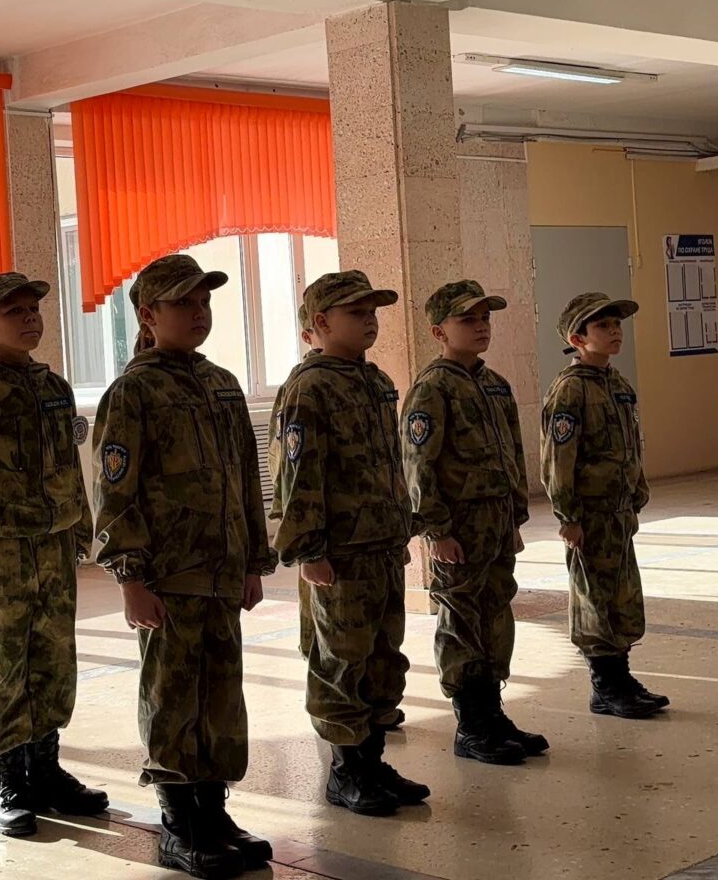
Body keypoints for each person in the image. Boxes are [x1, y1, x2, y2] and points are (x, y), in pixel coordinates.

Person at [92, 254, 277, 880]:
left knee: (220, 696)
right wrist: (130, 577)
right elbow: (116, 492)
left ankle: (213, 812)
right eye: (183, 303)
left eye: (204, 301)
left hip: (221, 571)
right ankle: (179, 824)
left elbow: (245, 477)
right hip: (169, 576)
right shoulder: (133, 391)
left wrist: (253, 560)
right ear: (148, 315)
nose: (198, 313)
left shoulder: (221, 383)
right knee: (173, 697)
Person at [0, 271, 108, 838]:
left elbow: (69, 466)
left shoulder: (53, 387)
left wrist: (81, 531)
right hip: (0, 554)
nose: (30, 318)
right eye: (14, 312)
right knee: (2, 667)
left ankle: (47, 770)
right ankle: (9, 780)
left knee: (54, 661)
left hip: (53, 547)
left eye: (33, 309)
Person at [271, 270, 428, 818]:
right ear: (320, 322)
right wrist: (308, 549)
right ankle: (346, 771)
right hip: (339, 553)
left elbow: (391, 464)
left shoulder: (374, 380)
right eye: (356, 312)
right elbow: (296, 476)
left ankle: (372, 761)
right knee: (341, 658)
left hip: (380, 543)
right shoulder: (309, 388)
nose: (370, 320)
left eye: (372, 311)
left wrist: (400, 526)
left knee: (382, 657)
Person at [401, 280, 549, 768]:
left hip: (496, 524)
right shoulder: (432, 388)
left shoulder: (494, 384)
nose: (481, 326)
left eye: (485, 318)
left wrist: (516, 515)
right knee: (462, 617)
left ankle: (493, 713)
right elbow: (418, 465)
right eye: (468, 319)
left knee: (495, 614)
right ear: (438, 331)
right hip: (459, 530)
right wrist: (437, 530)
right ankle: (471, 723)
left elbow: (514, 455)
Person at [541, 292, 669, 720]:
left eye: (616, 325)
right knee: (594, 598)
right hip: (590, 513)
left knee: (622, 597)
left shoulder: (617, 384)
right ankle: (606, 685)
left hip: (618, 511)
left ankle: (621, 677)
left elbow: (631, 446)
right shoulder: (570, 389)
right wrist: (568, 516)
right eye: (603, 326)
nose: (615, 332)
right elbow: (558, 459)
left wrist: (636, 493)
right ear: (577, 338)